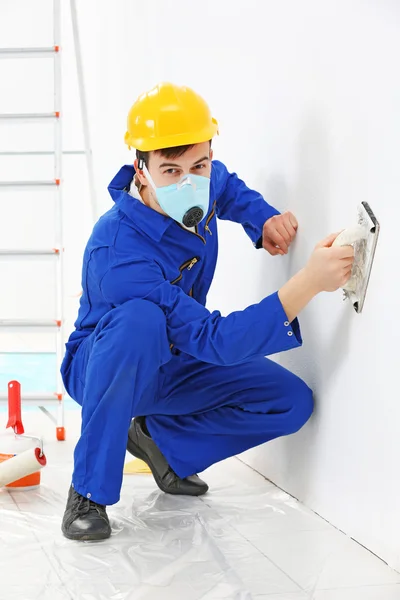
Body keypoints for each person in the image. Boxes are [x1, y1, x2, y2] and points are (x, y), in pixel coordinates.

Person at [60, 82, 354, 541]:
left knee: (291, 401)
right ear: (141, 170)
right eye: (170, 170)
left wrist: (262, 218)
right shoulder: (117, 249)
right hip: (108, 367)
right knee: (140, 321)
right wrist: (309, 283)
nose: (188, 182)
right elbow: (215, 340)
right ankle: (87, 492)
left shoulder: (201, 181)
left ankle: (161, 444)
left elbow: (227, 189)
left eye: (199, 164)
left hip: (176, 355)